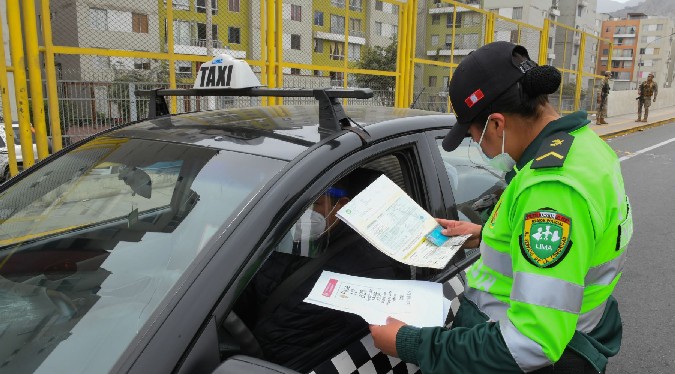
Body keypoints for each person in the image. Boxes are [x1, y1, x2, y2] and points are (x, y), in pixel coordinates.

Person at [369, 41, 633, 374]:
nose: (483, 149)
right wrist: (484, 234)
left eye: (474, 135)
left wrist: (412, 344)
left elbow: (529, 344)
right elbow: (581, 244)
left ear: (496, 124)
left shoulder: (551, 190)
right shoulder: (585, 146)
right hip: (580, 325)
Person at [234, 168, 408, 372]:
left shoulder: (369, 266)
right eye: (296, 206)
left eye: (314, 205)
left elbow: (354, 344)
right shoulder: (278, 242)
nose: (302, 215)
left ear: (341, 206)